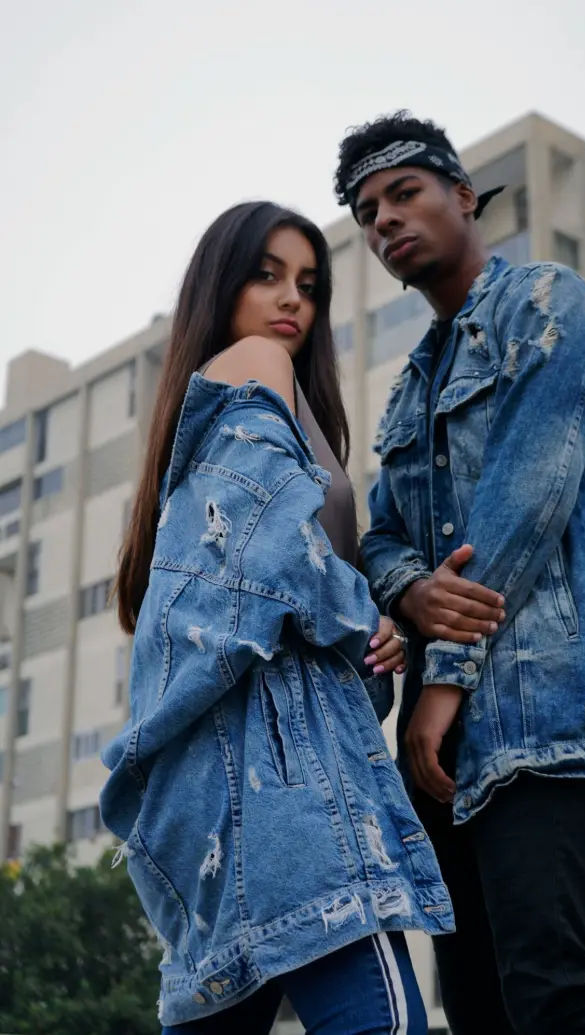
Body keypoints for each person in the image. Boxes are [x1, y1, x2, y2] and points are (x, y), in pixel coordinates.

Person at [333, 111, 585, 1035]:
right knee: (478, 1009)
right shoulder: (409, 387)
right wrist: (409, 590)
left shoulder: (550, 303)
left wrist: (442, 679)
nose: (385, 220)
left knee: (555, 994)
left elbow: (524, 505)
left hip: (547, 719)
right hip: (438, 756)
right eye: (367, 213)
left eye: (404, 193)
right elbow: (380, 538)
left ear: (464, 196)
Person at [100, 200, 457, 1034]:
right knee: (384, 1020)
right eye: (266, 275)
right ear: (220, 287)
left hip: (222, 799)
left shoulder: (216, 417)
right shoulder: (256, 362)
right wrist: (361, 618)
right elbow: (273, 548)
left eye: (308, 283)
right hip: (287, 779)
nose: (292, 298)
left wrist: (367, 628)